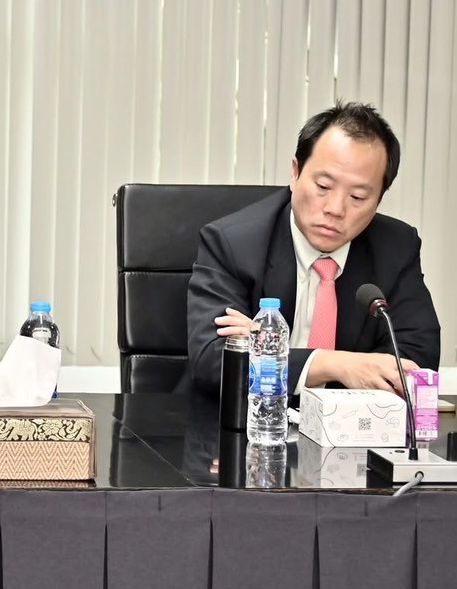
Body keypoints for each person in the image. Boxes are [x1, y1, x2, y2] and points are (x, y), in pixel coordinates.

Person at [185, 101, 440, 397]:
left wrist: (268, 350)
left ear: (379, 199)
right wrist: (337, 365)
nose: (335, 209)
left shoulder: (395, 247)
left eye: (358, 197)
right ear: (295, 173)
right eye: (323, 186)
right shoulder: (233, 244)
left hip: (347, 425)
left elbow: (416, 359)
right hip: (244, 421)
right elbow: (215, 361)